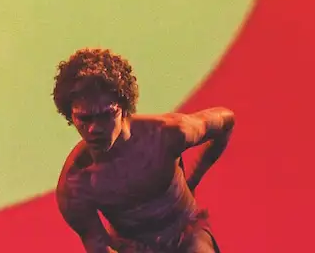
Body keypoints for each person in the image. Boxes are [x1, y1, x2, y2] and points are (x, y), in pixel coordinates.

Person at [52, 48, 234, 253]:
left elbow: (225, 120)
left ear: (124, 106)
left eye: (106, 115)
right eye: (84, 118)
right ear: (70, 115)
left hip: (187, 234)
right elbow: (98, 246)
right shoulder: (76, 186)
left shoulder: (168, 134)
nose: (95, 128)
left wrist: (196, 175)